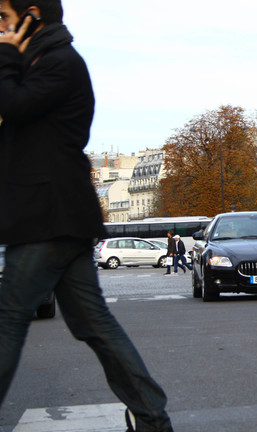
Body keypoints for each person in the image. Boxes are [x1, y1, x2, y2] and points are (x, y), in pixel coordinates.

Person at [0, 2, 173, 431]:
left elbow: (15, 107)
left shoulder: (60, 63)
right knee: (94, 324)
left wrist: (5, 56)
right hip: (57, 214)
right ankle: (152, 417)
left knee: (8, 318)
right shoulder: (38, 62)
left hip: (49, 216)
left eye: (3, 17)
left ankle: (152, 415)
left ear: (31, 15)